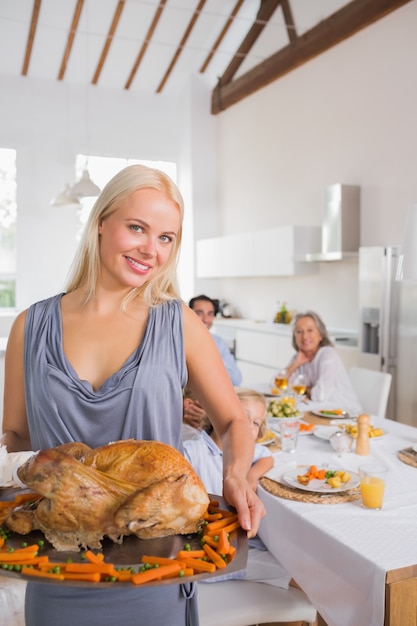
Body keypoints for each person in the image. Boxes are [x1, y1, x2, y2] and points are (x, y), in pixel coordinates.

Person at [0, 164, 265, 626]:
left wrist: (236, 471)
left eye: (167, 237)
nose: (151, 249)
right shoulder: (29, 327)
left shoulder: (177, 322)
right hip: (59, 570)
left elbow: (232, 421)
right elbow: (16, 435)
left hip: (156, 569)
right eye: (137, 228)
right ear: (101, 221)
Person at [183, 387, 292, 589]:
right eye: (242, 417)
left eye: (255, 423)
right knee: (293, 573)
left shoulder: (249, 451)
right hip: (210, 554)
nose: (248, 427)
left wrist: (251, 475)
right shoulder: (193, 452)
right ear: (219, 416)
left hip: (243, 542)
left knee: (293, 557)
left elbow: (266, 456)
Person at [183, 295, 242, 436]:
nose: (205, 319)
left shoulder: (218, 342)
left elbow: (236, 378)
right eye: (199, 313)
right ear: (188, 314)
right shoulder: (176, 341)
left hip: (210, 409)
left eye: (210, 314)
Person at [286, 311, 362, 412]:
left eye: (310, 330)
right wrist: (295, 364)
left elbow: (320, 395)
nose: (304, 337)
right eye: (299, 332)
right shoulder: (299, 357)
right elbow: (275, 386)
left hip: (346, 414)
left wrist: (304, 390)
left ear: (320, 335)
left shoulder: (328, 355)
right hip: (320, 412)